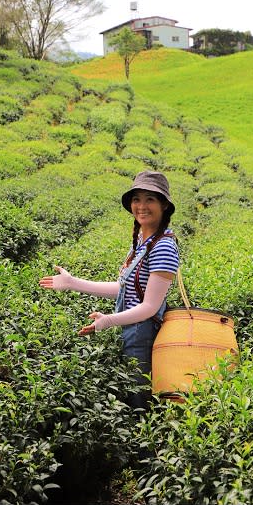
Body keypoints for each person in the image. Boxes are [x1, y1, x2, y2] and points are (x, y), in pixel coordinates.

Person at [39, 170, 180, 409]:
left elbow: (149, 306)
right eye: (137, 199)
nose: (141, 206)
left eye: (150, 199)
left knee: (140, 404)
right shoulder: (143, 242)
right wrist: (73, 283)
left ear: (164, 205)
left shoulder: (163, 247)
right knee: (131, 397)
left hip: (143, 334)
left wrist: (109, 321)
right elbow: (125, 290)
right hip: (132, 330)